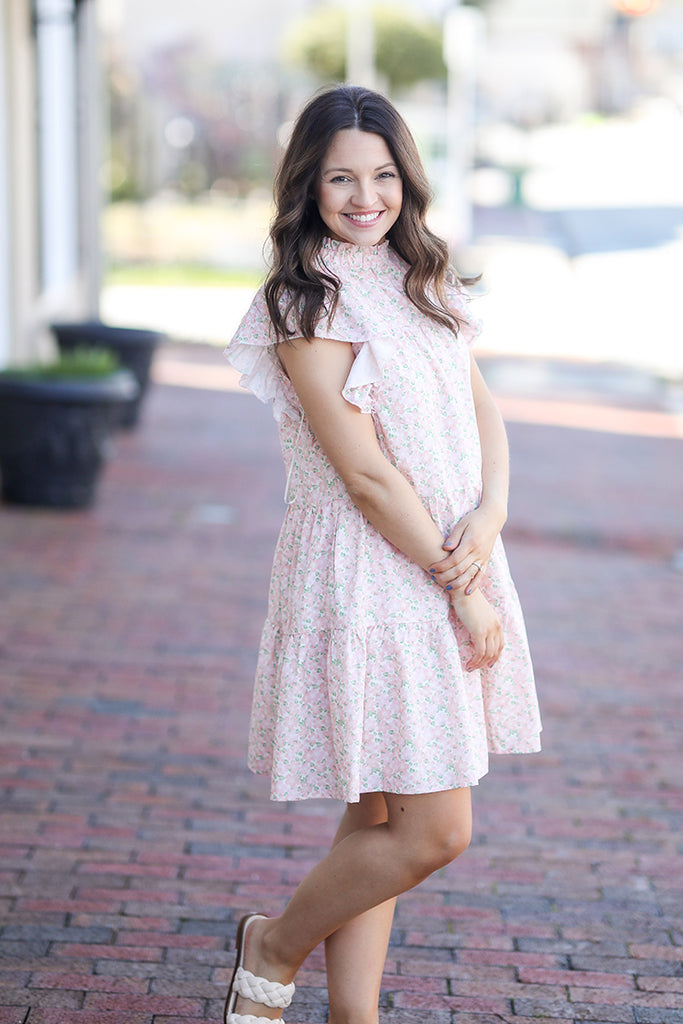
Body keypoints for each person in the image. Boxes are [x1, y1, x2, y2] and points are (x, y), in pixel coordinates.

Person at [223, 84, 541, 1024]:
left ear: (407, 179)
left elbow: (477, 402)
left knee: (378, 816)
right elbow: (362, 473)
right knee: (433, 829)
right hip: (367, 574)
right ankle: (271, 946)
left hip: (445, 553)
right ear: (306, 188)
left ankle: (349, 1015)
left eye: (383, 175)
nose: (366, 198)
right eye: (340, 180)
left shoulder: (421, 278)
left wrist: (491, 512)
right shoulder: (303, 299)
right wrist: (463, 589)